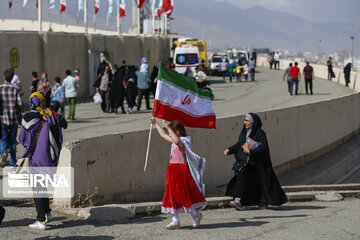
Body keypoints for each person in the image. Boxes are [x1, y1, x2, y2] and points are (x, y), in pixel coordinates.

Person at [150, 118, 207, 229]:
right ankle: (175, 220)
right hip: (172, 169)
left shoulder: (185, 141)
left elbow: (177, 142)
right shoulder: (174, 138)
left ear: (177, 132)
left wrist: (168, 128)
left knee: (186, 194)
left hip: (182, 170)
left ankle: (196, 216)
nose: (169, 133)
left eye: (171, 131)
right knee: (172, 194)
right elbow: (163, 135)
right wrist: (156, 123)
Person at [224, 113, 287, 210]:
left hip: (259, 163)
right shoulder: (244, 132)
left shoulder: (260, 133)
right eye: (244, 120)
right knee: (240, 176)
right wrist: (230, 150)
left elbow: (263, 148)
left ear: (253, 122)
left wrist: (250, 151)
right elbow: (240, 144)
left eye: (247, 121)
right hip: (247, 163)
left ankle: (263, 201)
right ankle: (238, 200)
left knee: (262, 182)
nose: (245, 123)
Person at [19, 92, 63, 230]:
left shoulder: (28, 117)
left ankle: (40, 220)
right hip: (48, 156)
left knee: (37, 188)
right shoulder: (50, 114)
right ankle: (47, 213)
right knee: (43, 185)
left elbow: (22, 138)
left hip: (36, 157)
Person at [0, 69, 22, 167]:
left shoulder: (0, 88)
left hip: (3, 118)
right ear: (12, 77)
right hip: (13, 118)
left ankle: (3, 153)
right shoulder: (15, 88)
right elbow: (19, 104)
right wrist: (20, 117)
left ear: (4, 77)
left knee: (2, 138)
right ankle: (13, 161)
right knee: (13, 140)